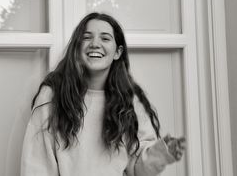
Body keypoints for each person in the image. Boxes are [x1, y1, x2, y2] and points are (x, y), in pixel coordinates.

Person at [21, 12, 186, 176]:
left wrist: (160, 154)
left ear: (117, 52)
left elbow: (136, 169)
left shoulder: (130, 101)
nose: (95, 44)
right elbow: (37, 165)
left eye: (105, 38)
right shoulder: (52, 97)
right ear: (77, 48)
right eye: (87, 37)